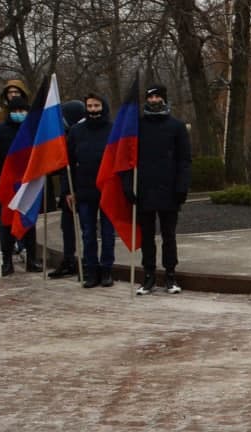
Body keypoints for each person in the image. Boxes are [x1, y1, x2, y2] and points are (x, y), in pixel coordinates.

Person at [123, 85, 191, 295]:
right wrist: (128, 186)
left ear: (164, 99)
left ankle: (170, 274)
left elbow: (184, 160)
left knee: (169, 235)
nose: (153, 100)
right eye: (150, 97)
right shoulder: (136, 127)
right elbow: (127, 160)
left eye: (157, 96)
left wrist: (181, 187)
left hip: (169, 191)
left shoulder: (176, 126)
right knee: (147, 237)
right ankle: (149, 275)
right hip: (144, 190)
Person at [64, 93, 117, 287]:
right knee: (88, 233)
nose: (93, 109)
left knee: (108, 232)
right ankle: (91, 270)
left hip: (108, 189)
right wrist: (67, 190)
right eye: (90, 106)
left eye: (97, 105)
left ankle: (107, 270)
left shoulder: (113, 130)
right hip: (84, 189)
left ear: (103, 106)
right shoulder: (76, 131)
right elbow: (68, 163)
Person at [0, 93, 42, 275]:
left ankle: (32, 260)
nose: (19, 113)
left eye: (22, 110)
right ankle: (7, 261)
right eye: (15, 111)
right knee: (6, 222)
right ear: (9, 112)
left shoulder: (33, 129)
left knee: (29, 220)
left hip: (28, 181)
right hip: (8, 180)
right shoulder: (2, 130)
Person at [47, 99, 88, 279]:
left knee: (88, 227)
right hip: (67, 187)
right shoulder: (61, 136)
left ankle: (89, 261)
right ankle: (69, 259)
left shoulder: (83, 134)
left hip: (85, 186)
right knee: (67, 227)